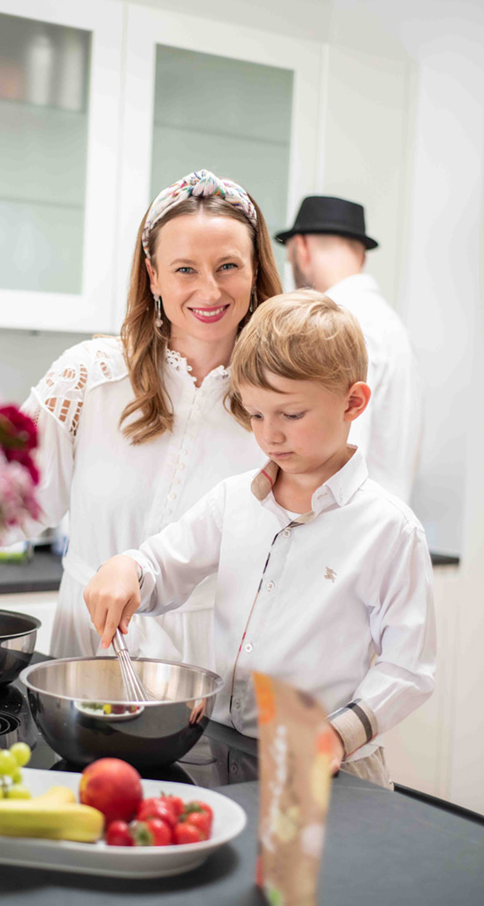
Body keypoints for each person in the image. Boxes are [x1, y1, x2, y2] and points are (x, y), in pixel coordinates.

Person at [83, 290, 436, 788]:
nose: (270, 435)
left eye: (291, 415)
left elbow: (409, 668)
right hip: (230, 752)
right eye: (255, 414)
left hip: (331, 767)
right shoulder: (233, 501)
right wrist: (127, 568)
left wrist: (338, 735)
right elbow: (162, 565)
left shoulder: (390, 530)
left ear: (353, 402)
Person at [18, 169, 282, 665]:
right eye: (185, 269)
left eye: (228, 266)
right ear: (153, 276)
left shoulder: (281, 401)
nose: (209, 290)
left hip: (215, 665)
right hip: (89, 653)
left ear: (255, 273)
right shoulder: (87, 378)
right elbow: (10, 509)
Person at [275, 195, 422, 503]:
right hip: (382, 516)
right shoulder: (391, 325)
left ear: (301, 248)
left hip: (346, 521)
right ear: (362, 256)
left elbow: (335, 458)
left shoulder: (335, 325)